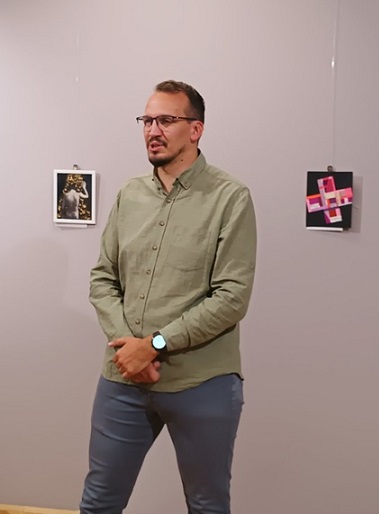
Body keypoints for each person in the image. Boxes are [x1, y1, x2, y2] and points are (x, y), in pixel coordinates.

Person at [81, 80, 257, 513]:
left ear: (195, 130)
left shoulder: (230, 198)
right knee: (98, 503)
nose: (152, 130)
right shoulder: (129, 195)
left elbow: (231, 297)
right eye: (147, 120)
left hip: (202, 383)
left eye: (165, 120)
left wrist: (154, 345)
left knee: (207, 505)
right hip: (123, 379)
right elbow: (103, 278)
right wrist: (130, 349)